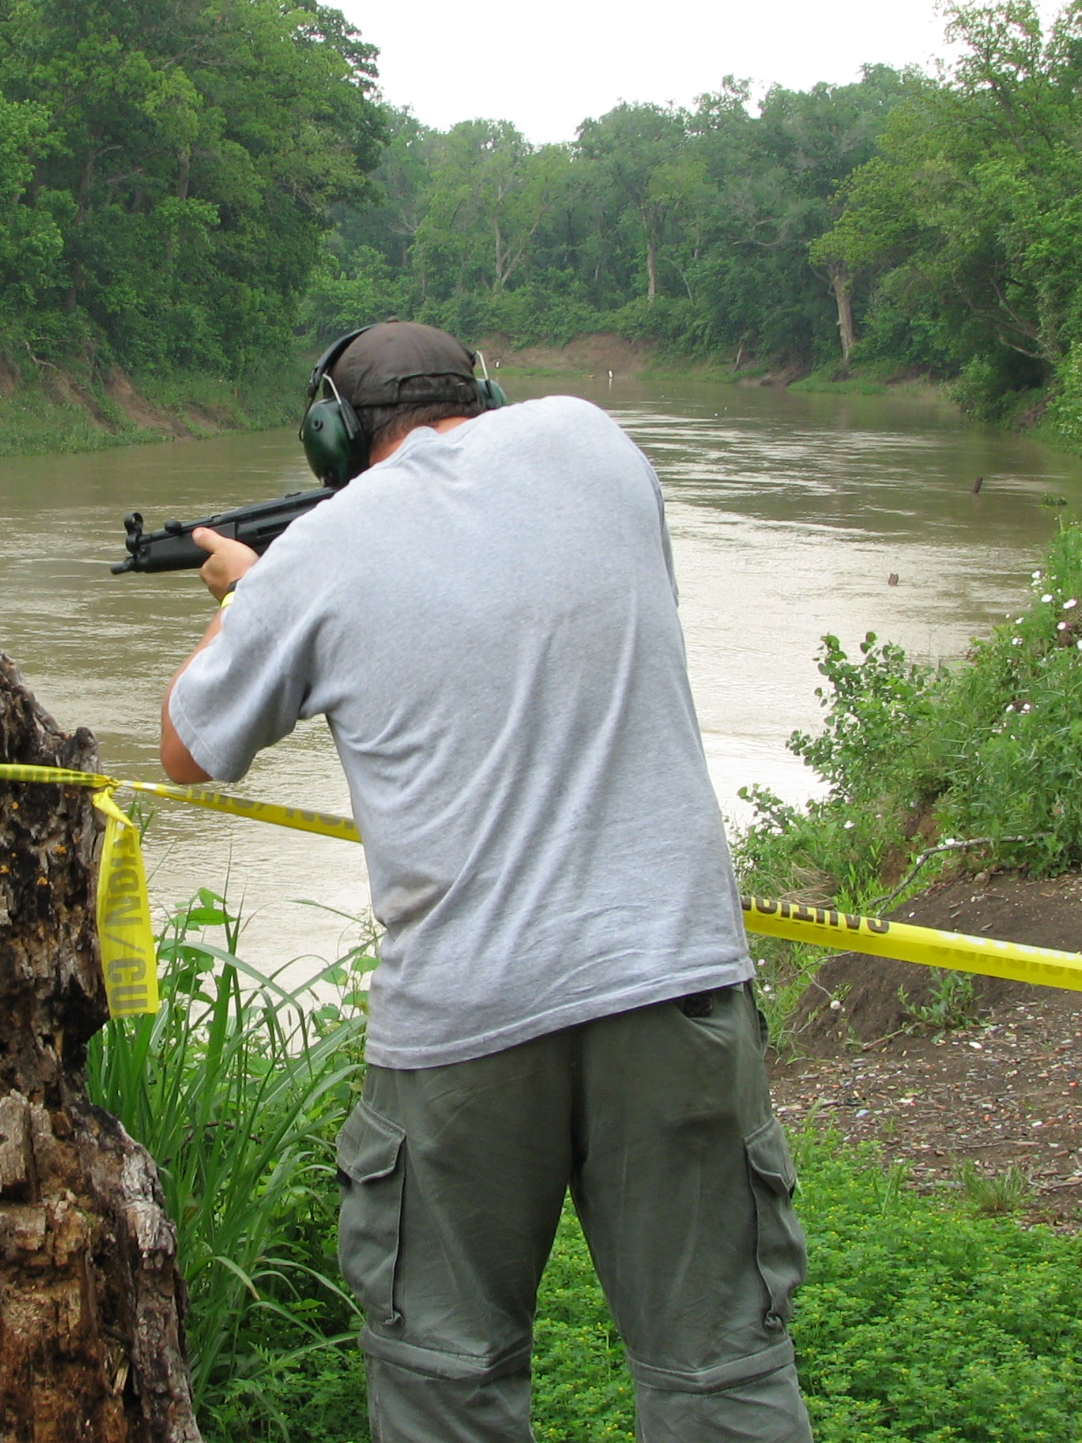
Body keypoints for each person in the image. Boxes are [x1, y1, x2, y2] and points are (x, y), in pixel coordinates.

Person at [158, 320, 813, 1443]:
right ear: (485, 392)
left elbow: (185, 747)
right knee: (720, 1373)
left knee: (447, 1384)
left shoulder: (319, 556)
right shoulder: (598, 445)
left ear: (330, 435)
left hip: (461, 1022)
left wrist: (243, 596)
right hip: (673, 980)